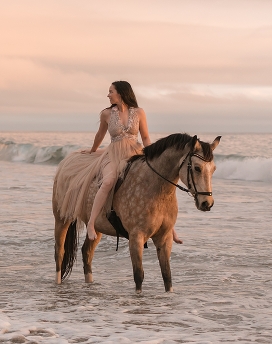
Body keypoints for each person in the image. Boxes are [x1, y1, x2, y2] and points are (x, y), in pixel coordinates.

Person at [57, 81, 182, 243]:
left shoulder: (139, 112)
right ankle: (91, 223)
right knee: (108, 181)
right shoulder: (106, 114)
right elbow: (100, 135)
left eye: (111, 91)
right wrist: (93, 150)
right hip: (114, 154)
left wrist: (152, 155)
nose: (108, 95)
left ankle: (170, 228)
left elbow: (145, 137)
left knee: (155, 183)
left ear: (121, 93)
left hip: (135, 153)